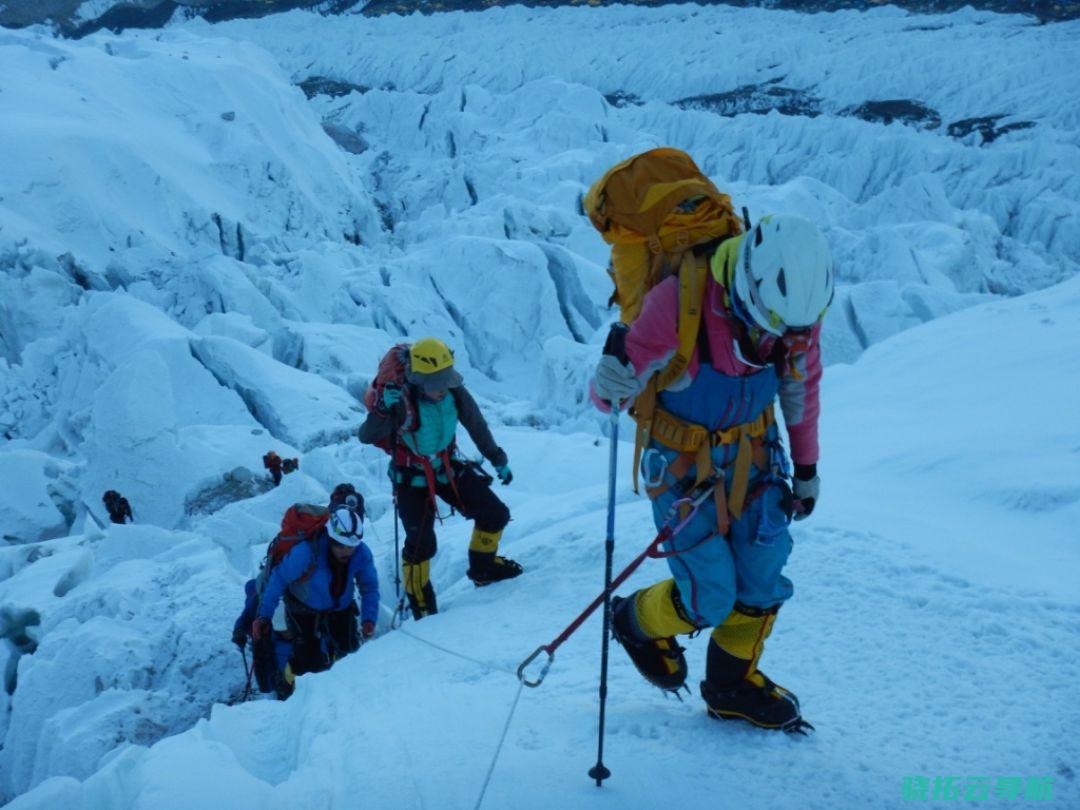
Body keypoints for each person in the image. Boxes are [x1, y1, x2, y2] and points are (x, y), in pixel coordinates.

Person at [591, 212, 833, 733]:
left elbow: (800, 388)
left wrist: (807, 468)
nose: (785, 341)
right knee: (711, 597)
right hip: (681, 468)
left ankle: (731, 687)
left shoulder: (794, 316)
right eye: (773, 328)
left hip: (756, 457)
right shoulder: (679, 302)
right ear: (746, 289)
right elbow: (610, 393)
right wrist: (610, 380)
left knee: (763, 576)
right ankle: (632, 619)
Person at [359, 337, 520, 621]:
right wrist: (383, 409)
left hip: (445, 465)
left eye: (445, 381)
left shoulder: (454, 391)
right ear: (419, 380)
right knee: (422, 544)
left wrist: (498, 458)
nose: (442, 389)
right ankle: (421, 605)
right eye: (436, 384)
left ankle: (483, 569)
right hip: (409, 477)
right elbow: (367, 435)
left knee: (495, 514)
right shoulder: (400, 399)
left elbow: (475, 424)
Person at [252, 502, 379, 697]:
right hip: (303, 609)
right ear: (331, 538)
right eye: (343, 547)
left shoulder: (361, 553)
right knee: (306, 663)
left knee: (349, 650)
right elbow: (278, 579)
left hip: (340, 607)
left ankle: (340, 687)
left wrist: (369, 619)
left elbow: (369, 586)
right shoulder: (305, 552)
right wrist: (264, 616)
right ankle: (289, 687)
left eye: (352, 547)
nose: (348, 552)